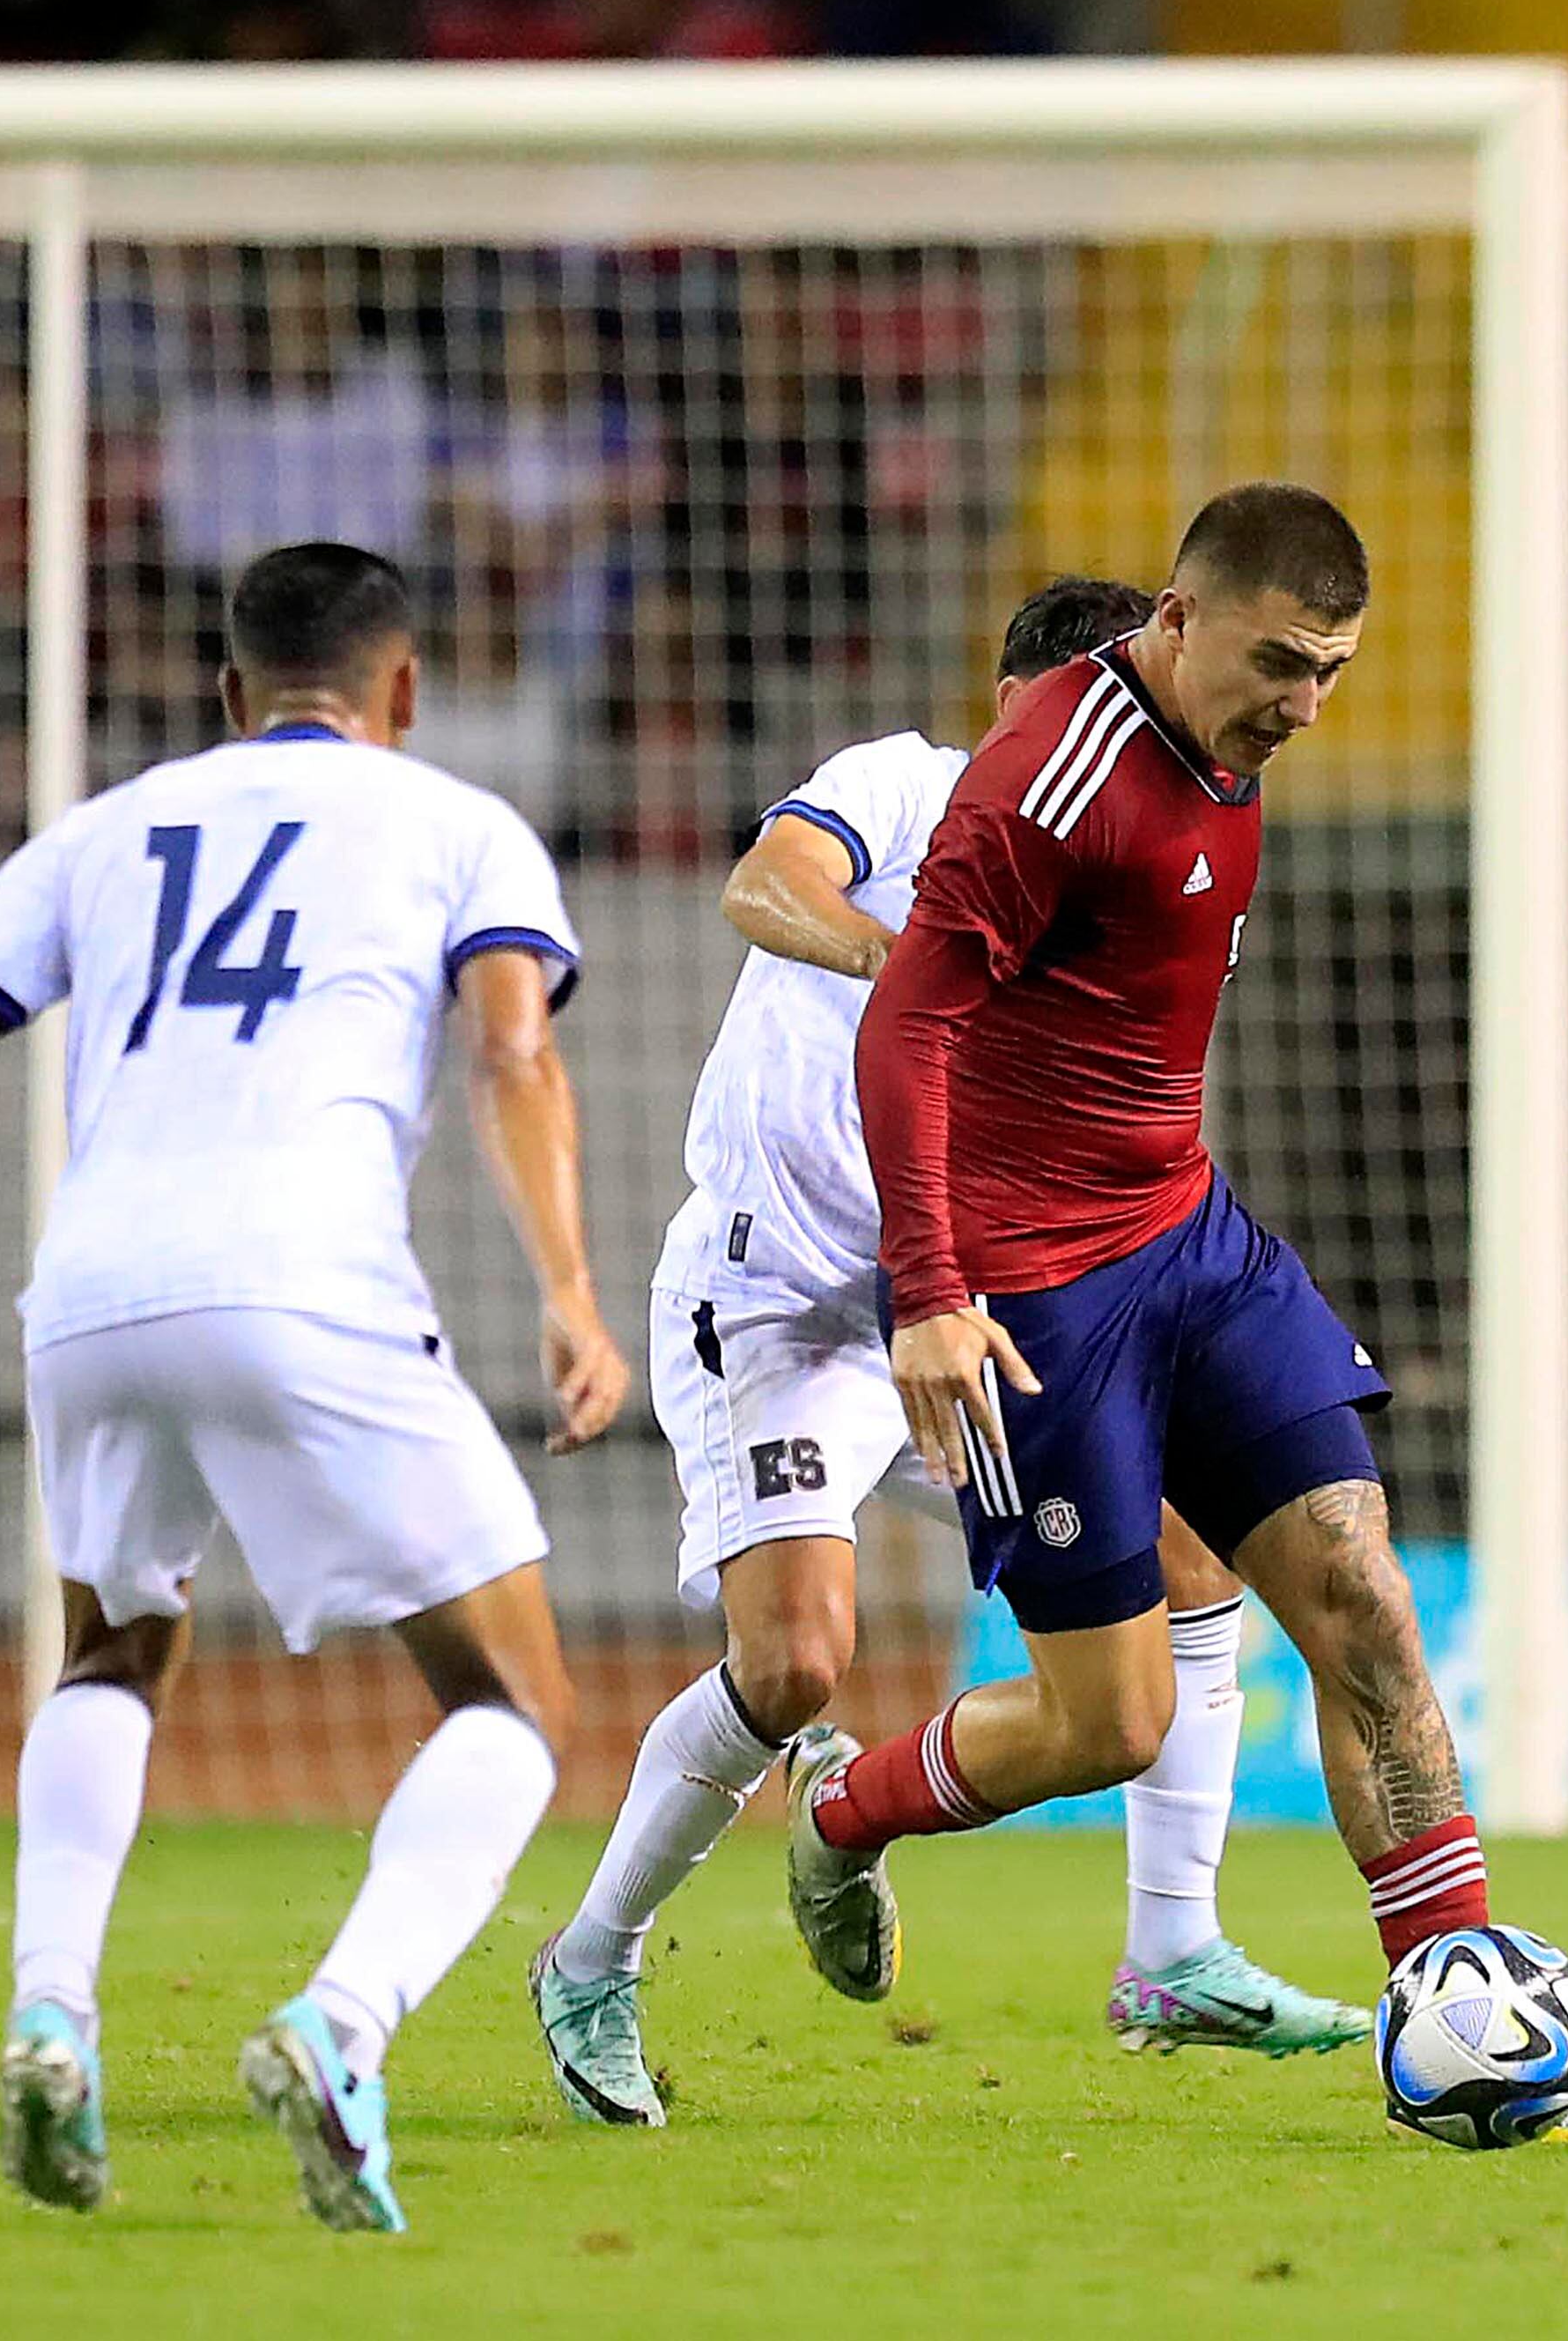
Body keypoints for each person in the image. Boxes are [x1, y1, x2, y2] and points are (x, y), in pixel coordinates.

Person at [0, 542, 632, 2231]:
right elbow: (514, 1047)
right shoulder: (460, 825)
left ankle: (49, 2021)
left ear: (229, 693)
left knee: (111, 1650)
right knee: (515, 1699)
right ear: (405, 689)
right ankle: (342, 2026)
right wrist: (570, 1292)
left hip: (86, 1295)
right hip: (303, 1277)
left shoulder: (106, 830)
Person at [807, 482, 1568, 2145]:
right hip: (1040, 1296)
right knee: (1111, 1723)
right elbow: (907, 1024)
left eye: (1333, 669)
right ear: (1177, 620)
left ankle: (1464, 2021)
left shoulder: (1226, 741)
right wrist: (931, 1292)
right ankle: (846, 1805)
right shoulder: (1052, 777)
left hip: (1191, 1238)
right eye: (1280, 663)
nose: (1307, 705)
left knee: (1365, 1597)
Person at [523, 576, 1368, 2130]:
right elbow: (763, 886)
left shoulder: (1116, 865)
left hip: (953, 1307)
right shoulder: (905, 786)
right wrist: (913, 963)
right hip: (775, 1298)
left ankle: (1172, 1948)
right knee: (794, 1662)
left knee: (1190, 1545)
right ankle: (590, 1960)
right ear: (1021, 707)